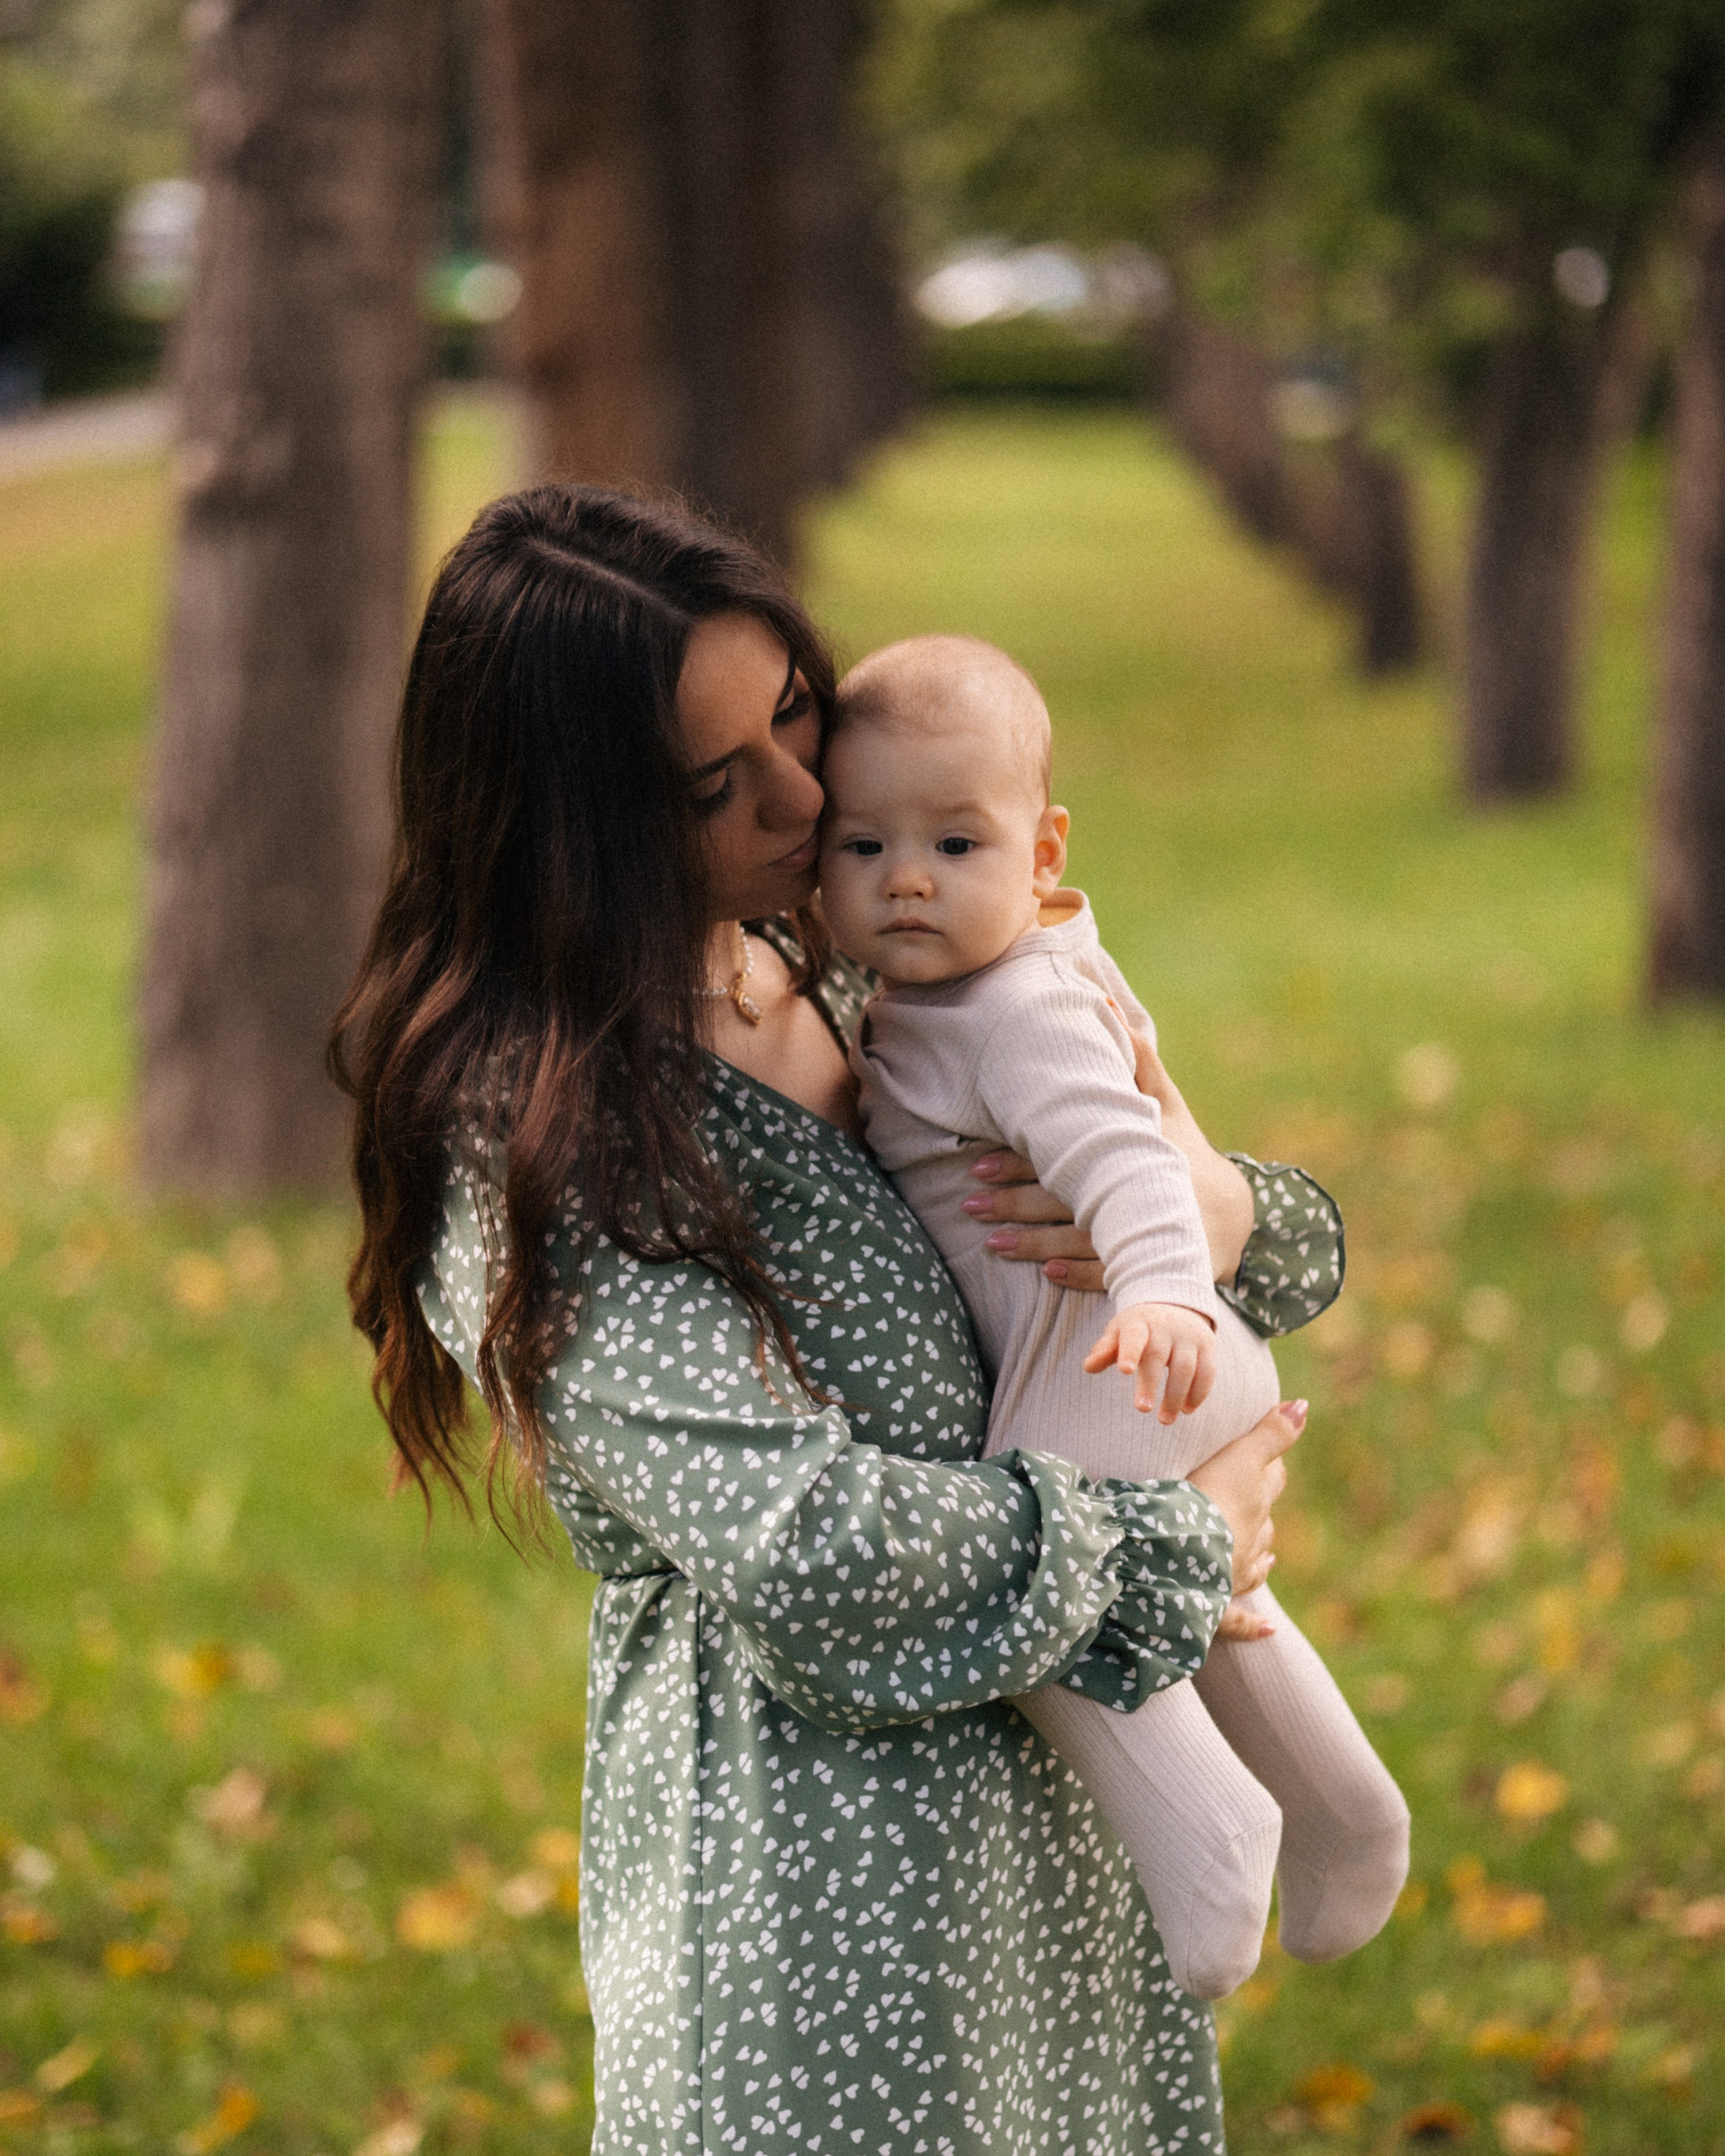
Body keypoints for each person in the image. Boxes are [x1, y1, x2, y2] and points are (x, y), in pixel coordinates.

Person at [332, 484, 1316, 2156]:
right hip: (830, 1898)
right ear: (571, 825)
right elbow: (803, 1542)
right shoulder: (532, 1133)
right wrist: (1170, 1546)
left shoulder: (853, 937)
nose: (805, 794)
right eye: (717, 784)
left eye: (793, 707)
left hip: (1063, 1848)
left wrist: (1217, 1208)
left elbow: (1221, 1229)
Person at [818, 633, 1410, 2002]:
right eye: (862, 847)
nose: (904, 877)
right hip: (1165, 1355)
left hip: (1110, 1358)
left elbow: (1123, 1156)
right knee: (1215, 1594)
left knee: (1047, 1588)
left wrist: (1153, 1291)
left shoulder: (1009, 1008)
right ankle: (1342, 1815)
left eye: (953, 844)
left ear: (1042, 851)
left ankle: (1211, 1841)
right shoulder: (965, 979)